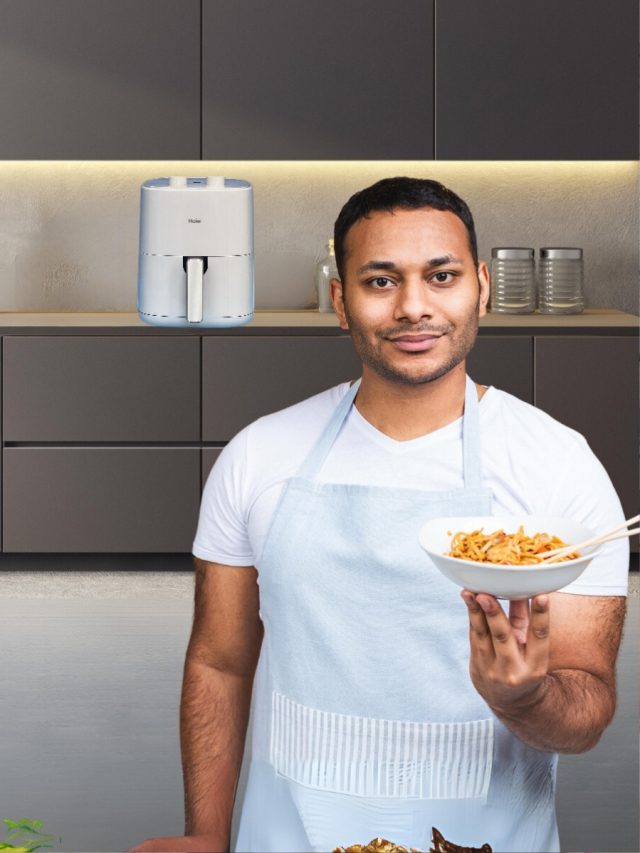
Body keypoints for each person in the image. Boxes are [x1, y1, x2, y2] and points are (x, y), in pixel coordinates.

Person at [130, 178, 629, 853]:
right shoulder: (260, 456)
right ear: (341, 300)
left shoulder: (558, 468)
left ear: (481, 286)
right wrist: (207, 836)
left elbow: (588, 710)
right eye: (380, 281)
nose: (414, 307)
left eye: (442, 275)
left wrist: (524, 697)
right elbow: (220, 661)